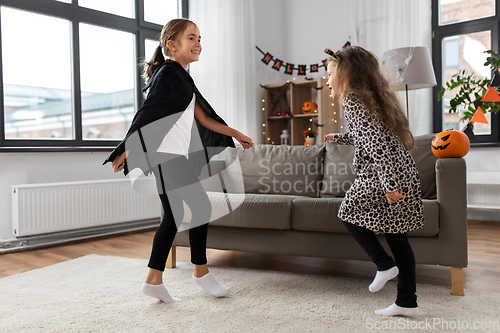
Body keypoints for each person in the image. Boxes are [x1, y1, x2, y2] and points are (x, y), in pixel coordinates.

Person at [103, 19, 254, 303]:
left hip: (170, 154)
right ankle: (201, 271)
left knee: (172, 217)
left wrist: (235, 133)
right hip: (164, 154)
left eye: (200, 38)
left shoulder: (182, 77)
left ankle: (154, 279)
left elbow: (203, 117)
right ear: (171, 45)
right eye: (191, 38)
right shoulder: (169, 73)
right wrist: (124, 148)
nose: (198, 43)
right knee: (201, 206)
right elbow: (149, 111)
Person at [323, 46, 424, 317]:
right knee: (396, 235)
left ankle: (383, 264)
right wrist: (341, 137)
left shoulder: (352, 100)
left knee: (347, 212)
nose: (327, 80)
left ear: (345, 73)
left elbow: (376, 143)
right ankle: (407, 301)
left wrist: (389, 184)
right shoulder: (374, 97)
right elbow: (371, 135)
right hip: (401, 169)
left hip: (382, 173)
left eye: (330, 73)